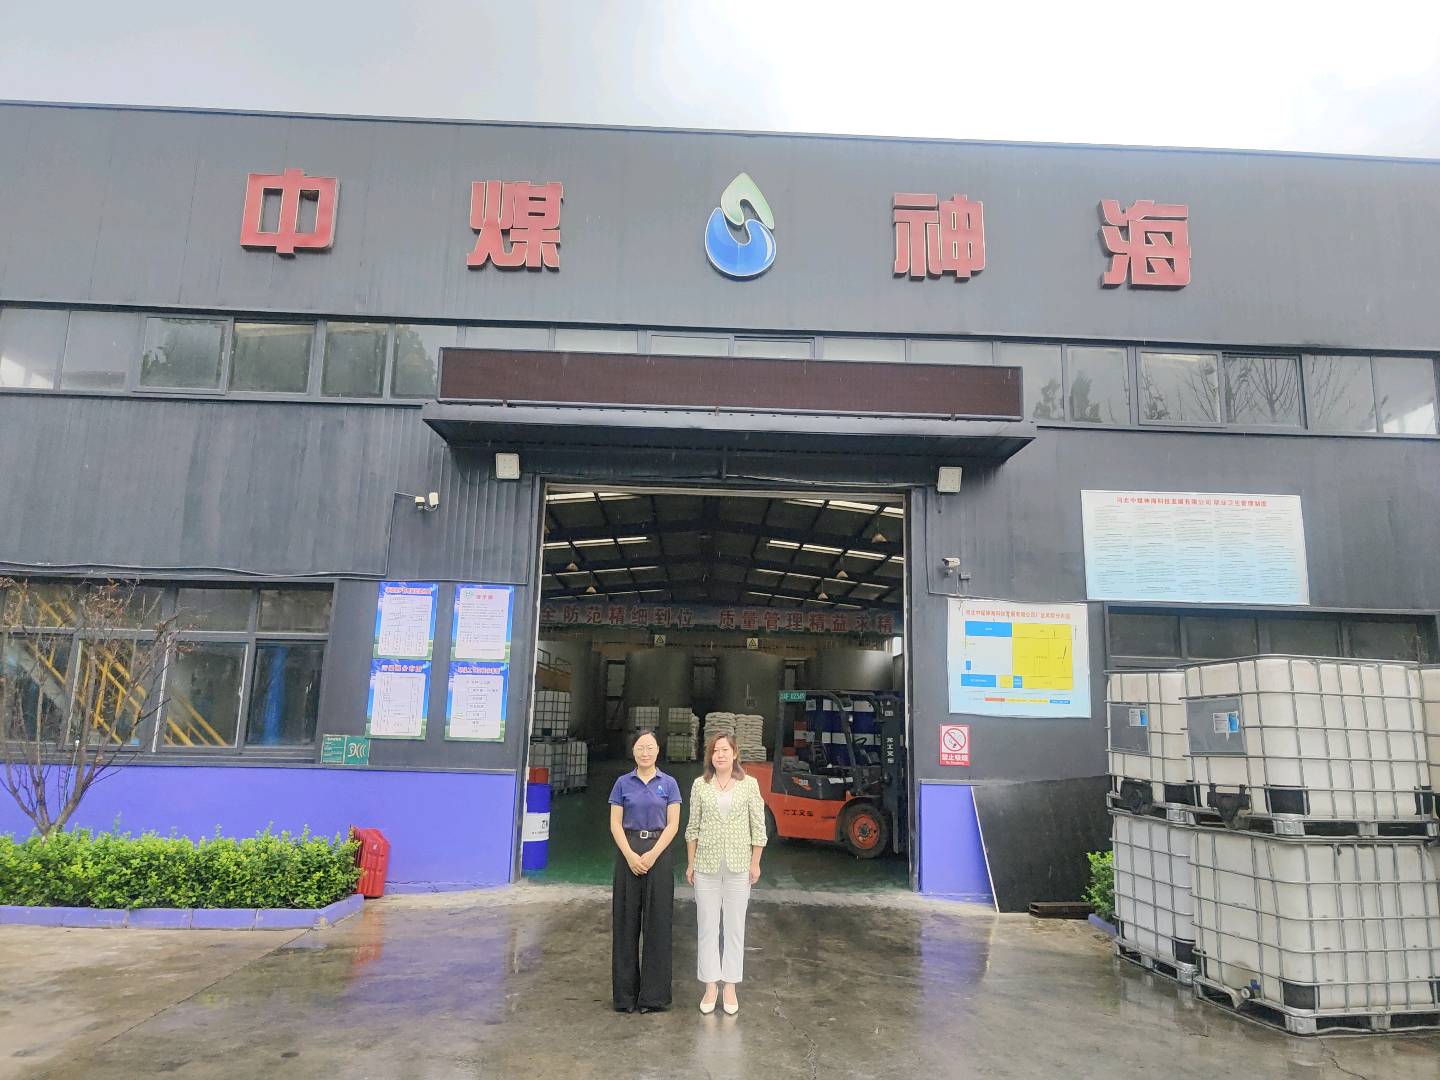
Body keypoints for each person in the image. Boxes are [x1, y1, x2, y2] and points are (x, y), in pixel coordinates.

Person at [685, 732, 767, 1016]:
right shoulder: (700, 785)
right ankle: (710, 985)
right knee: (707, 926)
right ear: (710, 756)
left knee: (734, 927)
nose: (719, 755)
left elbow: (758, 827)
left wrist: (755, 863)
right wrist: (691, 863)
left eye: (724, 750)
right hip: (706, 866)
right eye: (715, 750)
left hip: (738, 866)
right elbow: (692, 827)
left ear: (735, 754)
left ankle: (730, 985)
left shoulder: (749, 785)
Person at [608, 729, 682, 1013]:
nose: (645, 752)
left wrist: (652, 855)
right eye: (640, 747)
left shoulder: (670, 784)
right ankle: (625, 997)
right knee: (625, 924)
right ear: (633, 751)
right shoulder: (622, 783)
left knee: (658, 924)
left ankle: (654, 997)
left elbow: (673, 824)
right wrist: (630, 855)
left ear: (658, 750)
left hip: (658, 854)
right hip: (628, 852)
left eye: (650, 747)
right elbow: (615, 823)